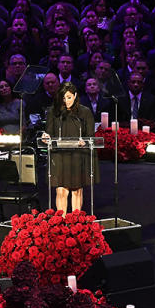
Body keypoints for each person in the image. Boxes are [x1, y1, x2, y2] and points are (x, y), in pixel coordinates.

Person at [41, 81, 96, 214]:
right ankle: (62, 222)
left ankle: (75, 222)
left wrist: (86, 141)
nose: (66, 101)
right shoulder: (54, 112)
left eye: (69, 97)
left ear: (75, 95)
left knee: (77, 190)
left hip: (78, 156)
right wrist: (45, 136)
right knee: (61, 190)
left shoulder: (85, 112)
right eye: (63, 98)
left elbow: (91, 136)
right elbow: (48, 133)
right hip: (59, 156)